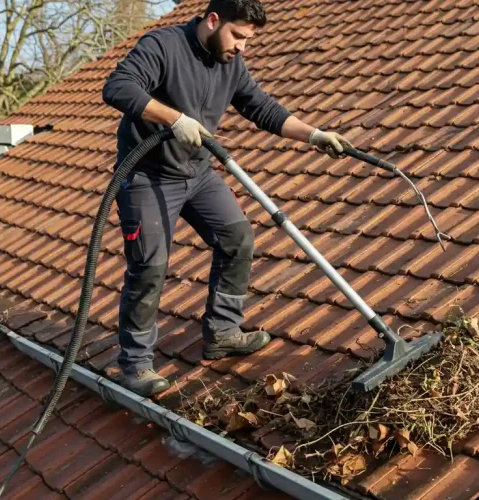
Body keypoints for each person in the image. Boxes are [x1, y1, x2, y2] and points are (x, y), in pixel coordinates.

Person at [102, 0, 353, 397]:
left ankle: (222, 332)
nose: (241, 47)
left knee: (238, 239)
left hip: (198, 173)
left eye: (247, 40)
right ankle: (135, 365)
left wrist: (315, 135)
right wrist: (174, 118)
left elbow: (261, 107)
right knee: (150, 266)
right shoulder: (162, 46)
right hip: (147, 176)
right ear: (213, 19)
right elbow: (118, 87)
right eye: (238, 36)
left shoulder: (230, 63)